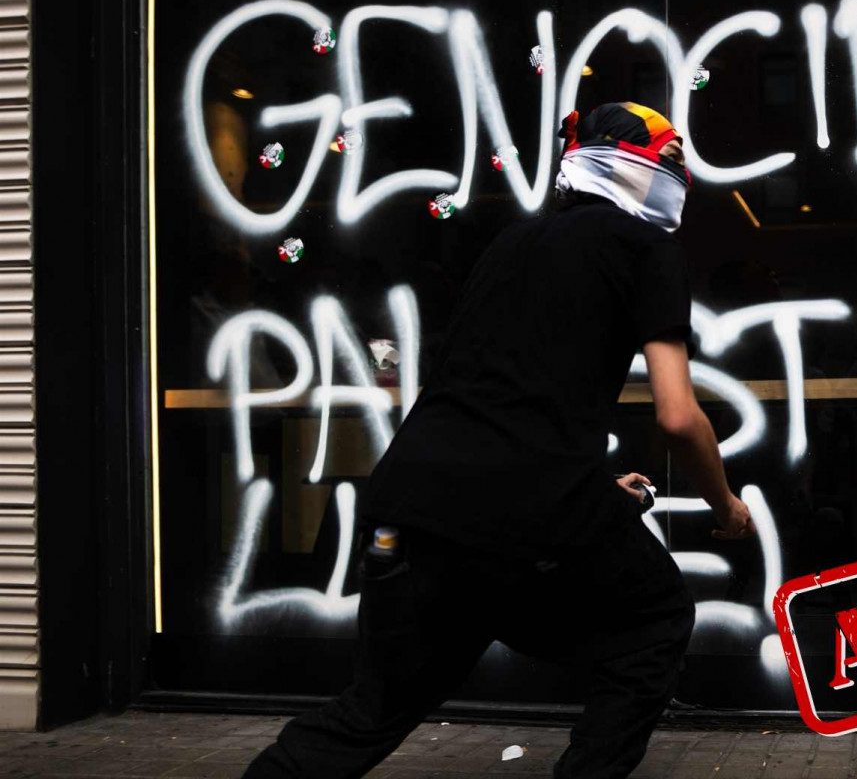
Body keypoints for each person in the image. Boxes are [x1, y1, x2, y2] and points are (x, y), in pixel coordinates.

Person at [244, 102, 754, 779]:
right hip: (524, 518)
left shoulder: (513, 243)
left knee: (370, 712)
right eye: (672, 159)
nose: (682, 175)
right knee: (654, 620)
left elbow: (502, 398)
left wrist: (596, 489)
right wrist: (725, 506)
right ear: (633, 163)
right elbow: (678, 417)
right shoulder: (646, 248)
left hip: (413, 506)